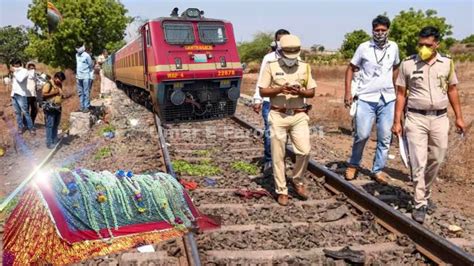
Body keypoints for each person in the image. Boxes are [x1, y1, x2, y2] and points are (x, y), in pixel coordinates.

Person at [392, 26, 466, 223]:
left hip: (440, 118)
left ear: (437, 45)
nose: (423, 48)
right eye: (421, 44)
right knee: (418, 161)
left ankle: (425, 189)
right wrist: (396, 121)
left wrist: (459, 117)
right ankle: (420, 203)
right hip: (416, 118)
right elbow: (400, 94)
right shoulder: (408, 64)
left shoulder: (447, 63)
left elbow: (452, 90)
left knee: (437, 157)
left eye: (428, 45)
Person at [258, 34, 316, 206]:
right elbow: (263, 91)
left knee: (304, 151)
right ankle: (281, 190)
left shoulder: (305, 67)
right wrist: (280, 89)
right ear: (281, 51)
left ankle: (297, 180)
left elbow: (311, 92)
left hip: (298, 115)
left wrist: (300, 92)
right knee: (278, 155)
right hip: (278, 115)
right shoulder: (271, 66)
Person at [344, 15, 400, 183]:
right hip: (366, 97)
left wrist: (396, 88)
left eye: (383, 30)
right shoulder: (364, 47)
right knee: (362, 134)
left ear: (388, 30)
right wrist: (348, 92)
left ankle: (378, 169)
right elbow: (350, 69)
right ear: (372, 30)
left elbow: (396, 67)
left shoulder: (394, 47)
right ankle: (354, 164)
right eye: (377, 30)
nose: (380, 33)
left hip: (388, 98)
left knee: (385, 137)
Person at [253, 29, 290, 176]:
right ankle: (269, 160)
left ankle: (279, 159)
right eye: (279, 40)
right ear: (275, 42)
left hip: (288, 102)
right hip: (269, 101)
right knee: (270, 131)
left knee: (283, 133)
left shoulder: (295, 58)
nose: (282, 44)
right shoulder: (268, 58)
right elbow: (261, 79)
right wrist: (257, 98)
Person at [10, 59, 35, 135]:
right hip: (14, 94)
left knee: (25, 112)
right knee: (17, 113)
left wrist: (14, 72)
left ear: (17, 64)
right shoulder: (16, 72)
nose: (13, 66)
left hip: (21, 94)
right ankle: (20, 127)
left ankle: (31, 128)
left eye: (13, 64)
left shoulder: (24, 71)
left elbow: (20, 80)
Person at [42, 71, 66, 149]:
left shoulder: (59, 84)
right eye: (60, 79)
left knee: (56, 124)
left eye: (62, 80)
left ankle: (54, 139)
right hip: (50, 108)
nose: (60, 81)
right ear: (55, 77)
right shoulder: (48, 84)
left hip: (58, 107)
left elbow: (60, 94)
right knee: (50, 125)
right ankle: (49, 143)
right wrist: (54, 93)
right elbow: (43, 95)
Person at [75, 44, 93, 112]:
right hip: (78, 77)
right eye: (76, 47)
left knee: (86, 92)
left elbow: (91, 65)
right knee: (80, 93)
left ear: (83, 47)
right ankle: (82, 106)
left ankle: (86, 107)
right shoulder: (76, 55)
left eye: (79, 47)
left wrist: (90, 76)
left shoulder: (87, 55)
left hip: (86, 76)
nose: (77, 49)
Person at [23, 62, 39, 127]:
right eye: (31, 68)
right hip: (27, 95)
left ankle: (31, 123)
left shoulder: (35, 75)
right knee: (26, 110)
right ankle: (25, 123)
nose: (32, 69)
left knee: (35, 109)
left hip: (34, 95)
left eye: (33, 68)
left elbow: (36, 84)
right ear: (28, 68)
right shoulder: (27, 74)